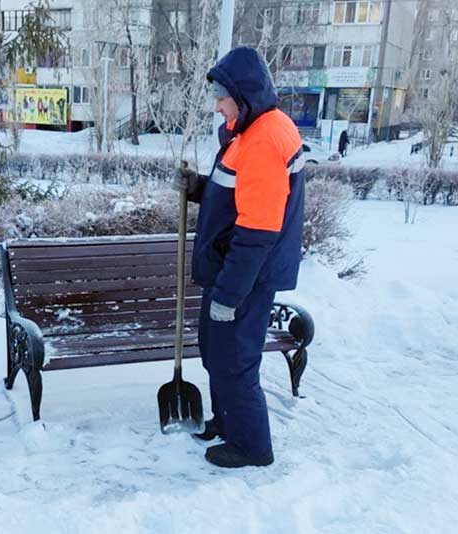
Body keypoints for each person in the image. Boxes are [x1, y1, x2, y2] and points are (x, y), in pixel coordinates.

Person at [174, 47, 305, 468]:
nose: (217, 104)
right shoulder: (248, 130)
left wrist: (229, 295)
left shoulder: (265, 139)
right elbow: (235, 195)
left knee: (236, 361)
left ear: (243, 95)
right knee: (216, 353)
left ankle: (252, 446)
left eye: (222, 96)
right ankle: (227, 421)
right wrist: (198, 187)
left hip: (245, 275)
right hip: (230, 268)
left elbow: (258, 229)